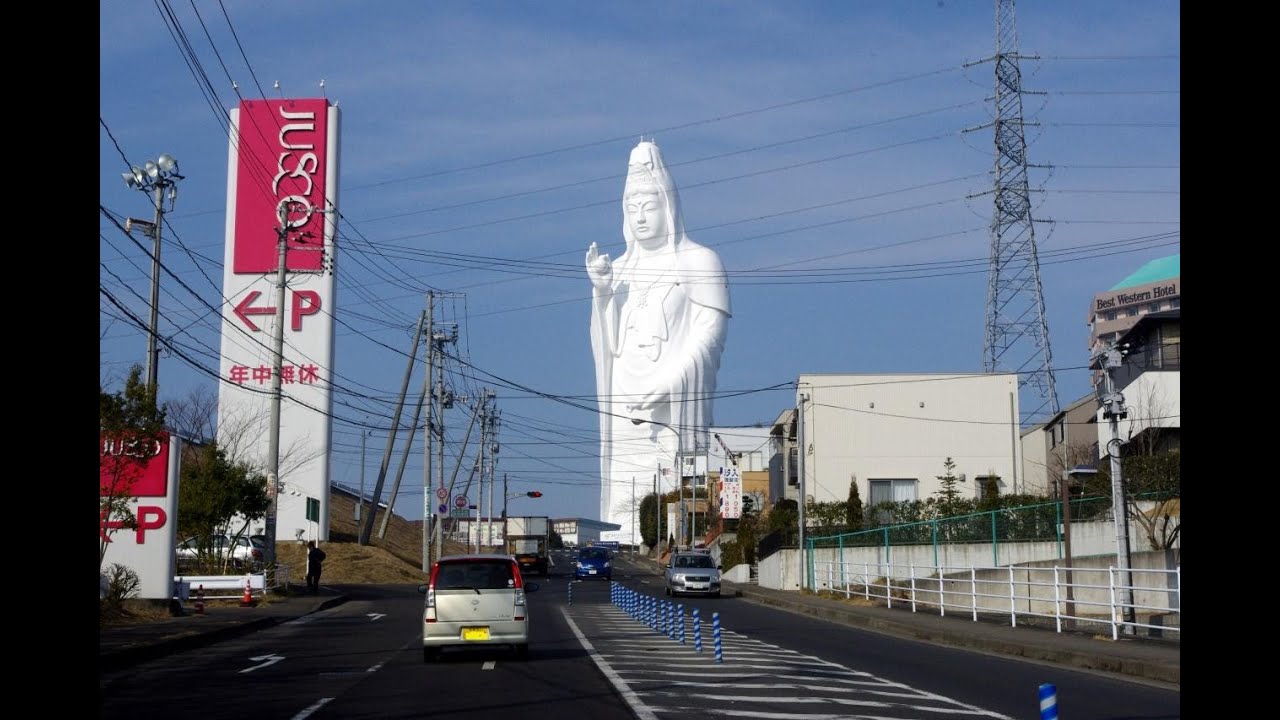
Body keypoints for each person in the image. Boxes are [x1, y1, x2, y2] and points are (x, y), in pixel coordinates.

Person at [586, 140, 731, 545]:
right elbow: (609, 345)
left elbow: (711, 335)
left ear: (669, 205)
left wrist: (672, 382)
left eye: (648, 205)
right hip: (624, 399)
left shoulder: (699, 260)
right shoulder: (618, 268)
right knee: (625, 485)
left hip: (671, 400)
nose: (640, 216)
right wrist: (602, 292)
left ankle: (670, 535)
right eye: (631, 207)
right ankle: (622, 535)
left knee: (670, 474)